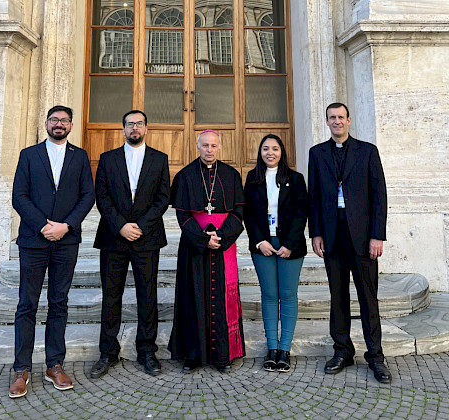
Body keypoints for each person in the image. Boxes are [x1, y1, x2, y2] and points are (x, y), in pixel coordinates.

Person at [10, 105, 95, 398]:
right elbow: (18, 196)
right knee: (27, 305)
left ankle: (54, 364)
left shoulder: (80, 156)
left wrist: (66, 226)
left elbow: (88, 195)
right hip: (34, 240)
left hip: (66, 242)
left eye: (64, 120)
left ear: (71, 126)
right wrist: (44, 225)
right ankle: (21, 369)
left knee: (59, 302)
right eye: (54, 119)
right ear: (46, 123)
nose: (59, 124)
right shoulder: (28, 155)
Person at [308, 102, 391, 383]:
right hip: (332, 236)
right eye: (332, 118)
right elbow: (314, 197)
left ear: (349, 120)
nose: (337, 122)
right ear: (327, 121)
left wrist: (377, 235)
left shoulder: (367, 151)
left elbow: (379, 195)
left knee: (368, 298)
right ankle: (342, 350)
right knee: (338, 297)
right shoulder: (316, 153)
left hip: (363, 237)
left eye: (341, 117)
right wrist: (315, 233)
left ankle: (376, 356)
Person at [91, 110, 170, 378]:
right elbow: (101, 197)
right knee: (111, 296)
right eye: (129, 124)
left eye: (139, 124)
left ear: (147, 128)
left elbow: (162, 198)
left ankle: (147, 351)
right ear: (122, 129)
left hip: (147, 238)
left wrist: (141, 226)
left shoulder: (160, 159)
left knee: (147, 296)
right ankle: (107, 352)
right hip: (114, 237)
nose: (134, 128)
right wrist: (121, 226)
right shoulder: (107, 159)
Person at [168, 129, 245, 373]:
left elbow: (239, 213)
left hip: (224, 245)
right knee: (193, 296)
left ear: (219, 147)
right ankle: (192, 355)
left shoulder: (231, 175)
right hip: (194, 247)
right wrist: (202, 240)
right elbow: (182, 215)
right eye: (205, 145)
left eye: (213, 146)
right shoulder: (185, 175)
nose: (209, 150)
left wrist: (220, 237)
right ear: (197, 146)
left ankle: (223, 355)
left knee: (223, 298)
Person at [244, 134, 308, 373]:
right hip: (263, 246)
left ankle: (285, 349)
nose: (270, 153)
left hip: (289, 246)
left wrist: (290, 243)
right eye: (265, 149)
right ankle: (272, 349)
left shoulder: (295, 179)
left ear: (282, 152)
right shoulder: (253, 178)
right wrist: (259, 240)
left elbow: (302, 212)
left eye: (275, 149)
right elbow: (247, 213)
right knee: (269, 295)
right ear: (260, 153)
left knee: (288, 294)